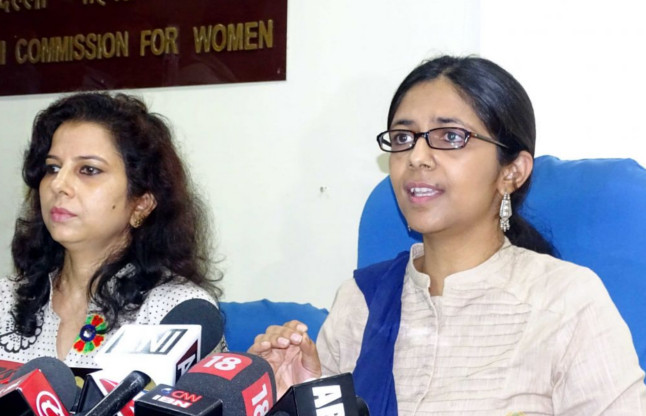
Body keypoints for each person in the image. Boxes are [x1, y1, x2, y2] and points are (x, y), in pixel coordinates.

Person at [249, 56, 646, 414]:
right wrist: (295, 399)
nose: (417, 157)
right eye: (403, 138)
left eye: (451, 136)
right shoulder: (360, 302)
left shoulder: (566, 302)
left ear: (512, 172)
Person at [0, 92, 224, 370]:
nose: (58, 184)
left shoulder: (176, 312)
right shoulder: (6, 299)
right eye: (52, 168)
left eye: (88, 170)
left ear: (141, 203)